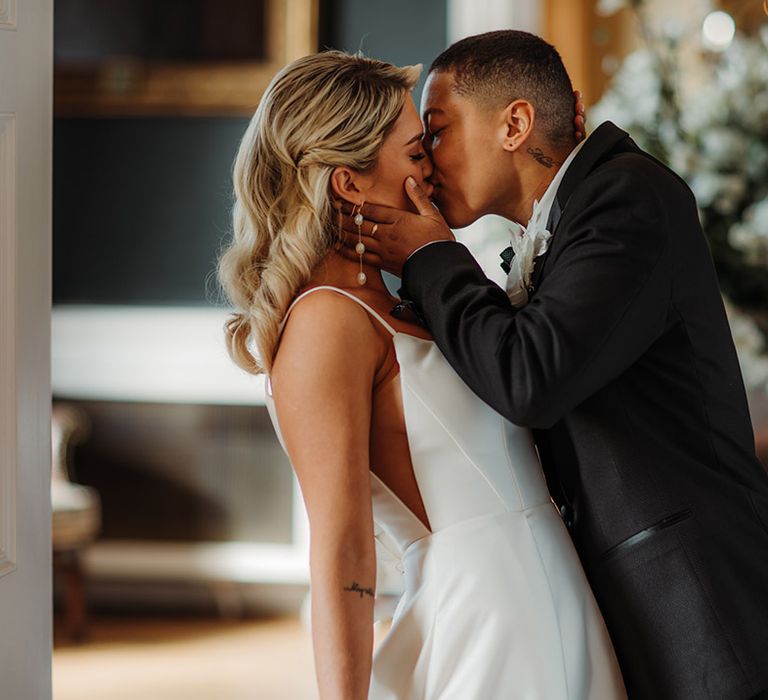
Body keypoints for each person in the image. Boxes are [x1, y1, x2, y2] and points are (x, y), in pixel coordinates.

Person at [343, 30, 768, 699]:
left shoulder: (628, 199)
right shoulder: (576, 215)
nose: (426, 159)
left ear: (513, 124)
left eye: (437, 129)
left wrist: (430, 258)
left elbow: (530, 378)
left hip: (700, 606)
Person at [217, 50, 626, 699]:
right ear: (348, 183)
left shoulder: (405, 302)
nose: (432, 170)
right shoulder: (327, 322)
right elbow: (342, 547)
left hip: (547, 594)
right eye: (416, 152)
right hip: (487, 620)